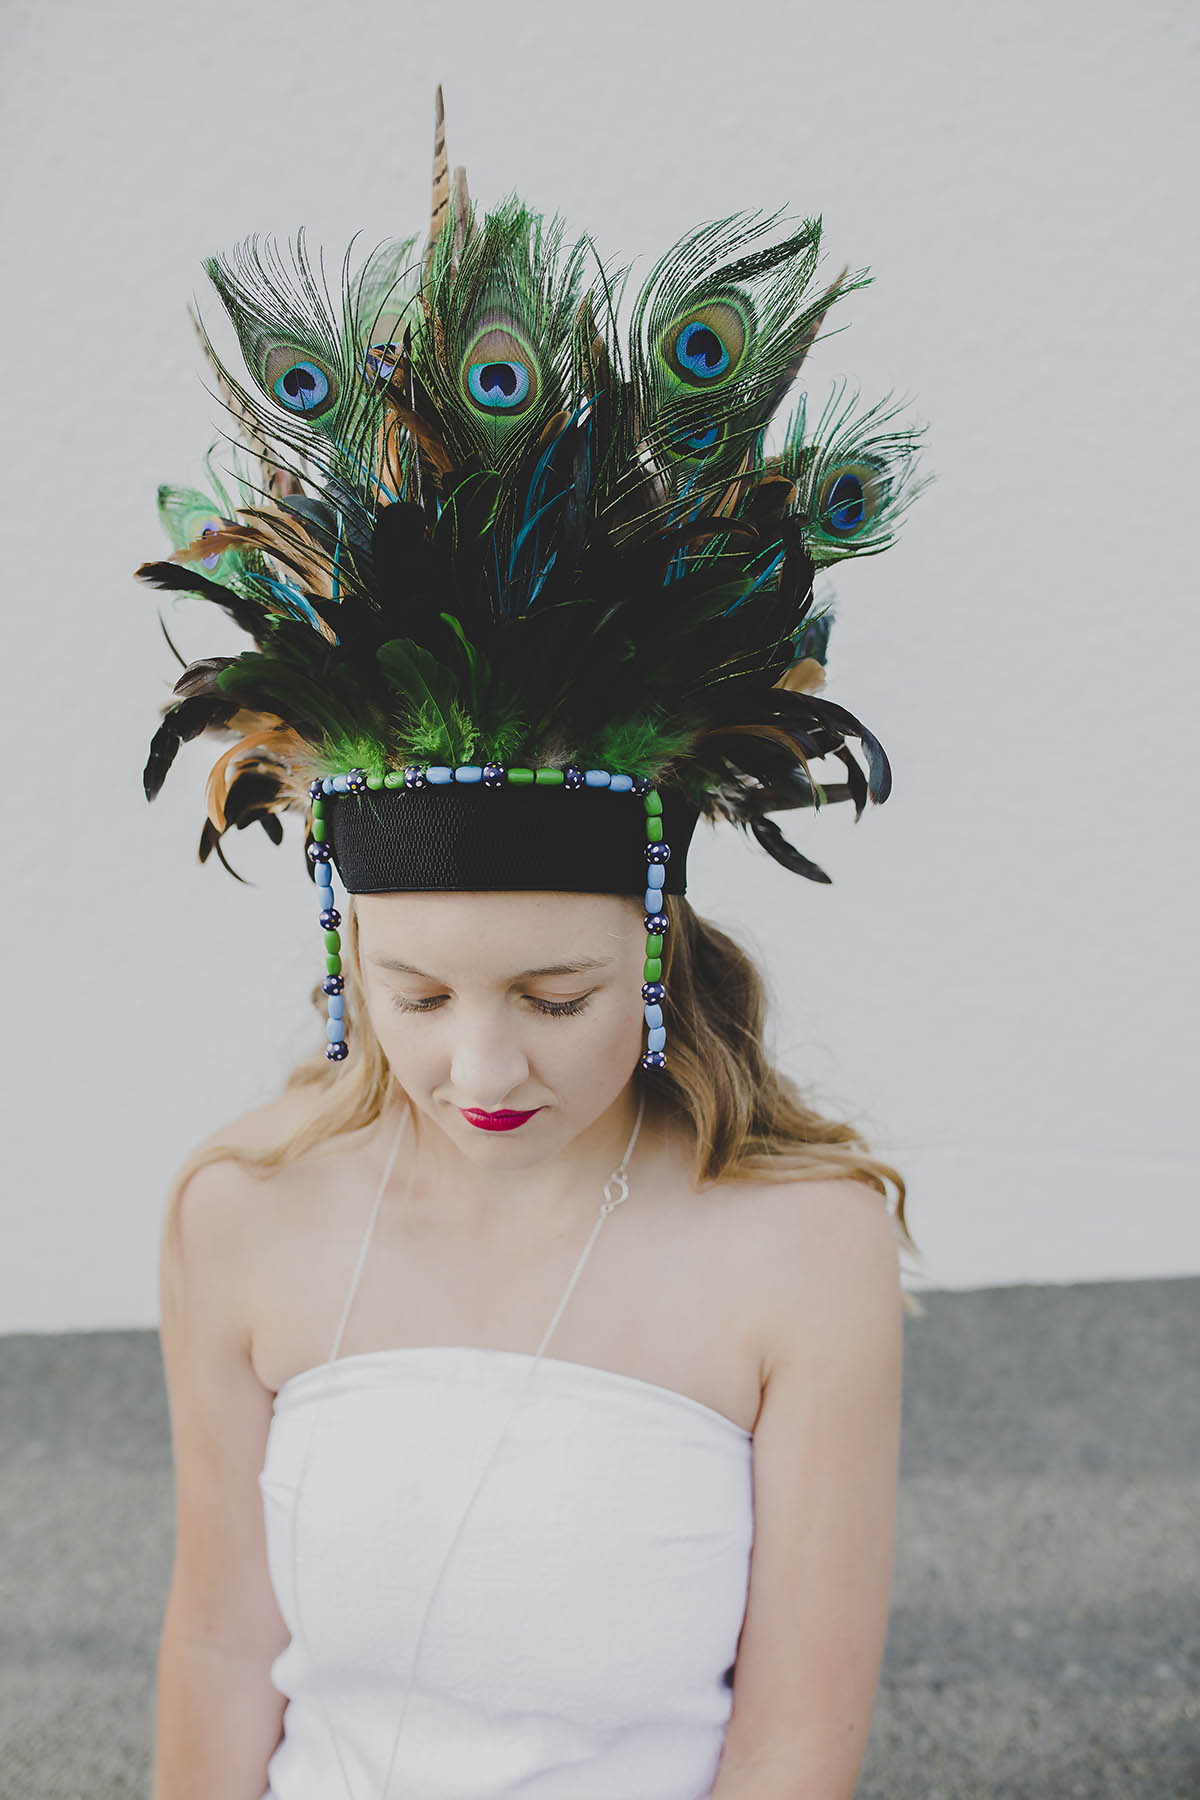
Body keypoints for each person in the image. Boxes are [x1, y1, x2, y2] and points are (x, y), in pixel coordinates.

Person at [145, 90, 924, 1800]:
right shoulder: (240, 1216)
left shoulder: (806, 1253)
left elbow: (796, 1736)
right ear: (342, 948)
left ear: (654, 944)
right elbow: (218, 1648)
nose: (479, 1067)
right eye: (413, 995)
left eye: (555, 997)